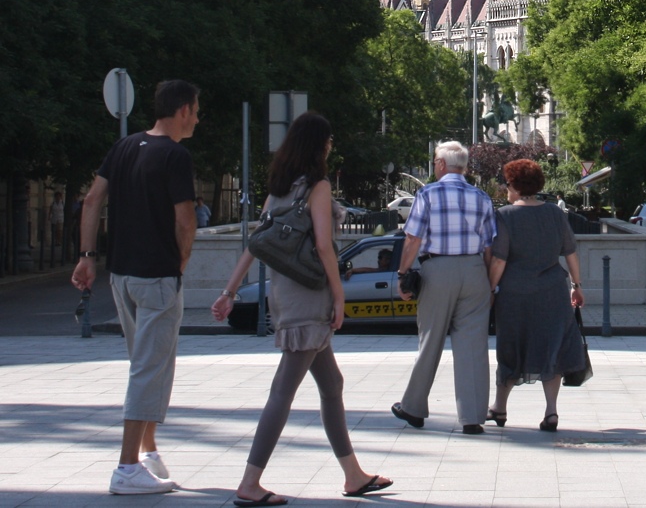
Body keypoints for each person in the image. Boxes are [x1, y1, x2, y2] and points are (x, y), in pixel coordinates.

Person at [211, 112, 391, 504]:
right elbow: (325, 246)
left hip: (285, 293)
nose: (331, 147)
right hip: (311, 295)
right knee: (283, 391)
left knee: (332, 384)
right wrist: (339, 296)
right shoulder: (317, 187)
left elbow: (256, 243)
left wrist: (229, 291)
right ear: (319, 145)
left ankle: (353, 475)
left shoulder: (279, 189)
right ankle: (249, 483)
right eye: (328, 141)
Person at [71, 80, 201, 495]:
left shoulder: (124, 147)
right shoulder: (176, 156)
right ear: (182, 110)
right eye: (196, 111)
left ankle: (147, 452)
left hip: (122, 275)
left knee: (145, 362)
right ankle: (127, 467)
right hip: (157, 275)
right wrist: (181, 259)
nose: (197, 118)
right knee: (150, 367)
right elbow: (186, 219)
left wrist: (87, 256)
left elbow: (92, 201)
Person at [392, 140, 497, 435]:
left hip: (437, 269)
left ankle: (413, 407)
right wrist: (489, 284)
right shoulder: (482, 197)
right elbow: (489, 246)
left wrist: (403, 273)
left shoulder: (428, 193)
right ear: (462, 167)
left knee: (430, 340)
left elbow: (413, 239)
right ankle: (473, 417)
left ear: (441, 164)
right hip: (475, 269)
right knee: (473, 346)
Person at [487, 159, 586, 432]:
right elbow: (570, 252)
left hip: (515, 294)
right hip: (552, 292)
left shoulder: (505, 216)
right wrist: (577, 285)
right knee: (551, 347)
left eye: (507, 184)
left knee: (510, 347)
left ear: (515, 186)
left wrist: (490, 289)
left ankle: (500, 407)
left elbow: (498, 260)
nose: (506, 189)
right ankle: (551, 412)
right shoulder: (555, 213)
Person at [50, 191, 65, 257]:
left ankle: (59, 241)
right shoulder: (53, 203)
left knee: (60, 230)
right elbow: (50, 210)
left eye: (59, 196)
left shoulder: (62, 203)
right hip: (54, 219)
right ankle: (56, 241)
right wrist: (49, 216)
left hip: (61, 218)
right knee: (55, 231)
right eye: (57, 196)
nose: (58, 198)